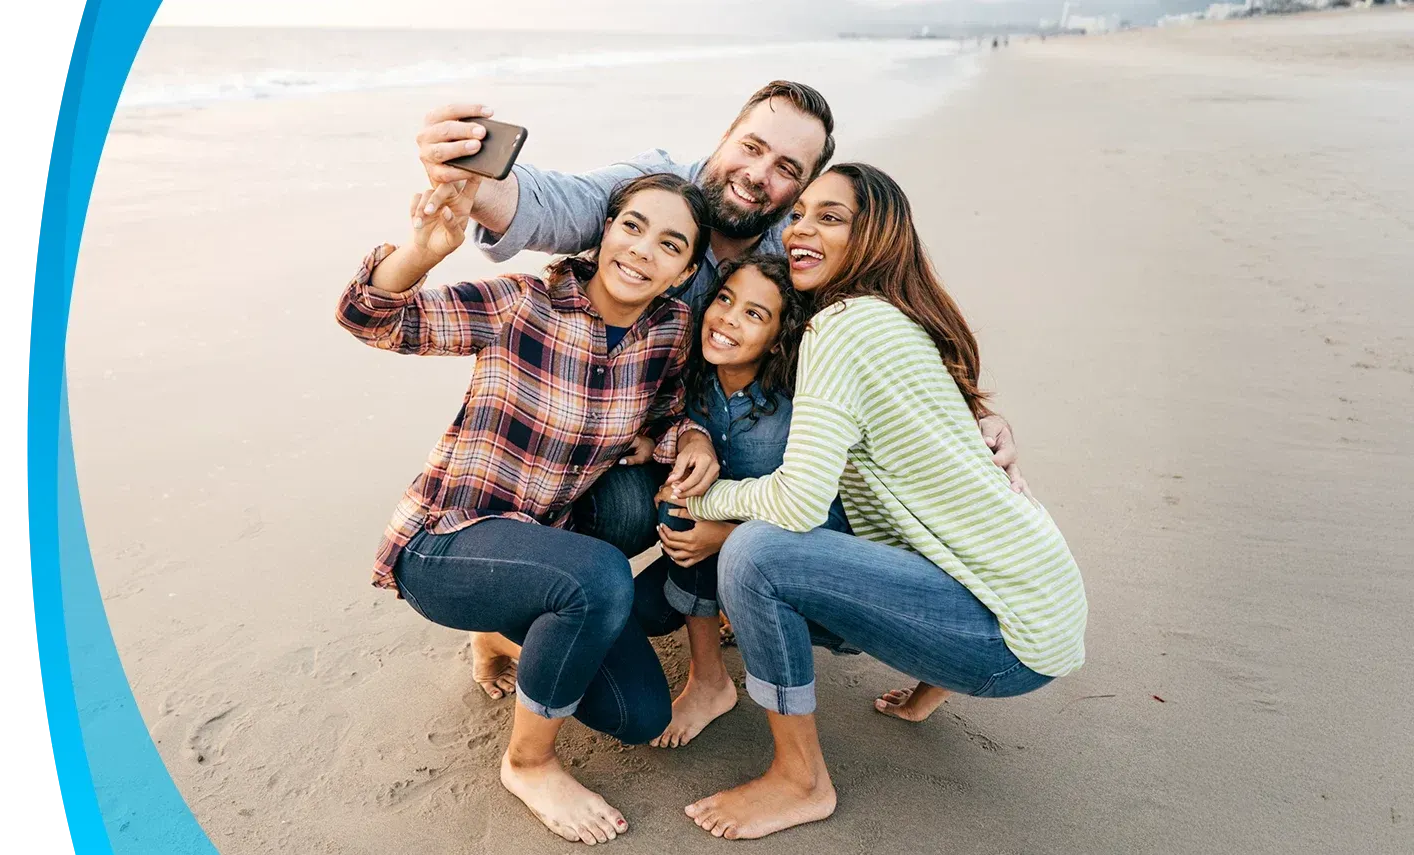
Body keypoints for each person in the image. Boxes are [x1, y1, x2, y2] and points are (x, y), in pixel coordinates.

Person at [408, 81, 1034, 698]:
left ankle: (732, 587)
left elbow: (886, 302)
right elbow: (554, 202)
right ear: (724, 137)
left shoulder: (795, 240)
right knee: (625, 512)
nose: (760, 173)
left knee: (774, 439)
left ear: (802, 188)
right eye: (751, 146)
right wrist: (480, 184)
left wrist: (973, 412)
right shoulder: (660, 191)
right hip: (622, 429)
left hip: (717, 429)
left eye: (787, 168)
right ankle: (514, 610)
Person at [672, 163, 1090, 839]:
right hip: (1041, 605)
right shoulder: (894, 318)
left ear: (877, 236)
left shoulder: (840, 326)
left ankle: (800, 778)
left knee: (755, 553)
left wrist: (709, 497)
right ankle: (935, 676)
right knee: (816, 519)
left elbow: (801, 502)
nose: (802, 228)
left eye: (830, 218)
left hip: (1007, 638)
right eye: (800, 213)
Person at [337, 171, 721, 846]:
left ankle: (504, 631)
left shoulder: (670, 329)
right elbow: (369, 318)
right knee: (599, 575)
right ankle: (529, 761)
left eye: (669, 244)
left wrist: (688, 435)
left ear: (685, 269)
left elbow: (667, 411)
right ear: (605, 232)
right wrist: (423, 249)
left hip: (543, 550)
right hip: (447, 543)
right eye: (631, 226)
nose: (641, 250)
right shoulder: (523, 303)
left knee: (639, 713)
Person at [625, 253, 855, 750]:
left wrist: (724, 538)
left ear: (778, 340)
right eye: (726, 299)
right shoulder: (699, 382)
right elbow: (666, 419)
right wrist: (666, 444)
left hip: (803, 560)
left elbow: (831, 522)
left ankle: (711, 681)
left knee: (690, 519)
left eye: (755, 313)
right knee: (639, 609)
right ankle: (714, 654)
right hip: (718, 551)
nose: (728, 317)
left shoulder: (798, 410)